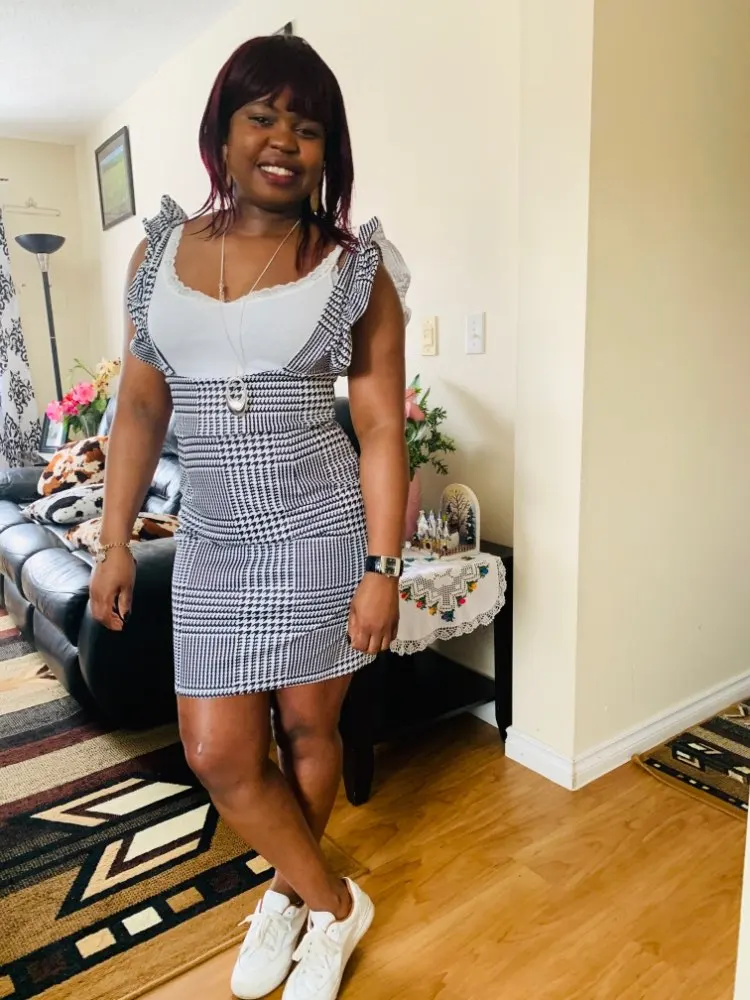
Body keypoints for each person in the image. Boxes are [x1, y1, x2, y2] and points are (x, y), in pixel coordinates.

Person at [90, 33, 409, 1000]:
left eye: (307, 128)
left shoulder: (354, 269)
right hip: (213, 546)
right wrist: (113, 540)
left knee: (309, 734)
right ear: (222, 135)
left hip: (320, 533)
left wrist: (382, 568)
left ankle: (289, 899)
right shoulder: (158, 255)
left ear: (328, 151)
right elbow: (139, 409)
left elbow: (381, 428)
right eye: (262, 117)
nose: (283, 141)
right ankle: (335, 902)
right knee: (220, 754)